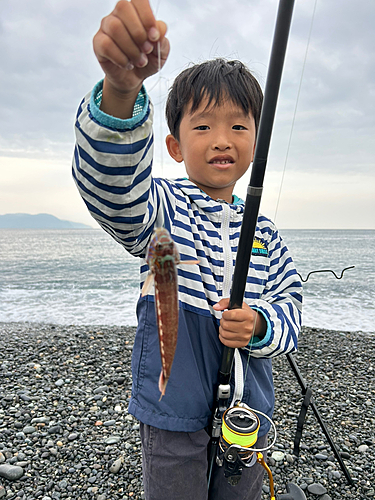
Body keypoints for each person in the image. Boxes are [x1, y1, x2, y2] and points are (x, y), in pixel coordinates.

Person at [72, 1, 303, 499]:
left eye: (239, 126)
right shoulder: (163, 214)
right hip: (172, 405)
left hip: (249, 414)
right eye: (203, 127)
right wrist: (120, 91)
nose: (222, 139)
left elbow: (292, 308)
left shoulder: (265, 231)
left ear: (257, 142)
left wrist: (260, 324)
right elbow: (114, 193)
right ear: (174, 146)